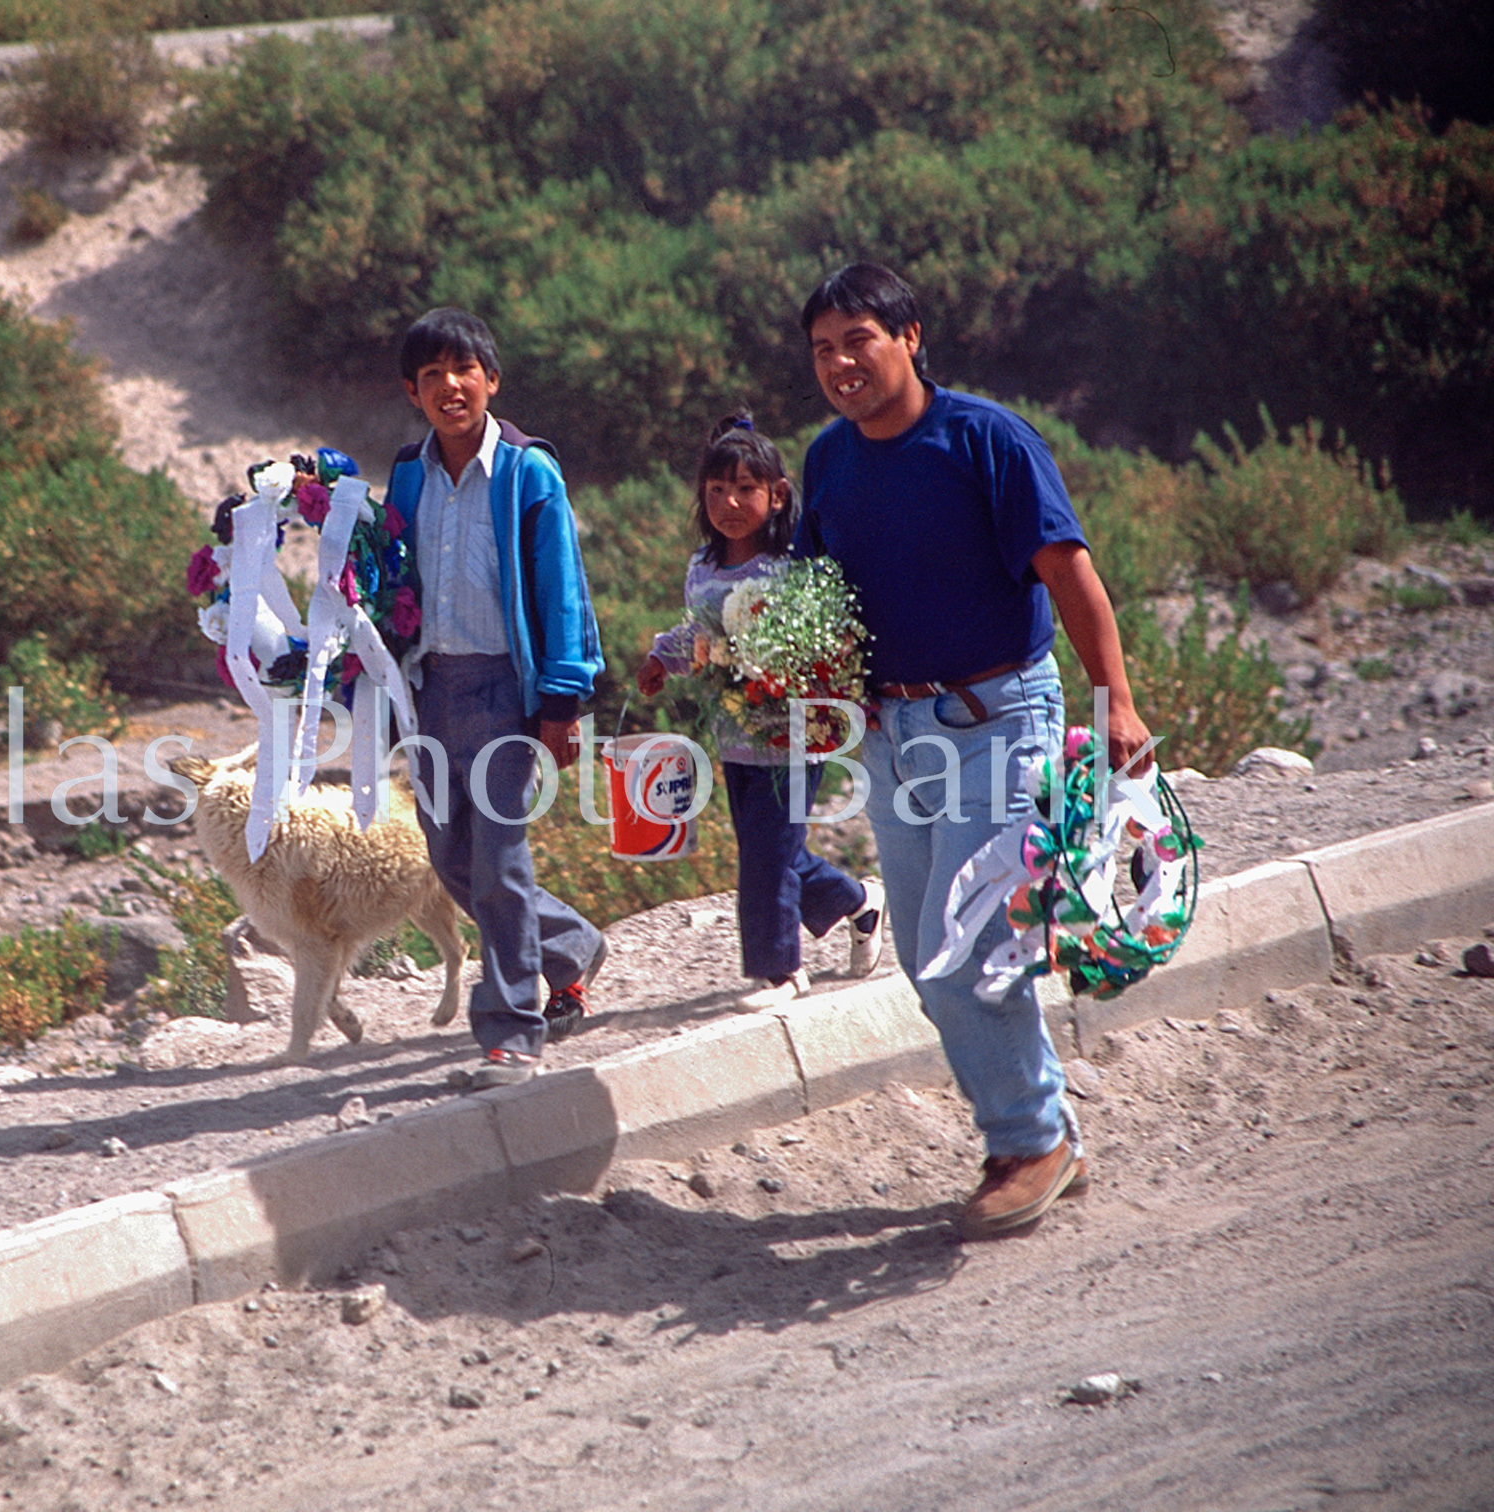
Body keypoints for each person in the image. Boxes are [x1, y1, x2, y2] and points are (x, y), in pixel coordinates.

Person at [791, 263, 1155, 1240]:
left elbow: (1068, 575)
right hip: (889, 733)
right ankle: (1044, 1131)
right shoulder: (825, 462)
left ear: (909, 337)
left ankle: (1027, 1142)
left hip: (999, 717)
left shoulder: (984, 439)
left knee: (962, 952)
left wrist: (1113, 703)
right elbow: (813, 602)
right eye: (820, 348)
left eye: (855, 339)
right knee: (924, 956)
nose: (837, 363)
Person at [386, 308, 607, 1090]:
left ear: (492, 379)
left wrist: (562, 702)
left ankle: (512, 1030)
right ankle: (570, 944)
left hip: (505, 693)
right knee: (451, 861)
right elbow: (393, 589)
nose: (451, 386)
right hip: (431, 691)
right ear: (413, 392)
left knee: (499, 859)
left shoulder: (526, 473)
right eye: (433, 375)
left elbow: (561, 590)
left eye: (464, 370)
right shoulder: (408, 476)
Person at [637, 409, 885, 1007]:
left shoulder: (789, 570)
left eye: (745, 489)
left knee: (767, 856)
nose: (729, 502)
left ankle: (780, 971)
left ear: (776, 496)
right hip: (735, 731)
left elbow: (829, 638)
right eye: (717, 489)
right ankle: (857, 902)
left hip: (792, 731)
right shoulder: (703, 567)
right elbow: (694, 633)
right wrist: (659, 660)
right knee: (770, 849)